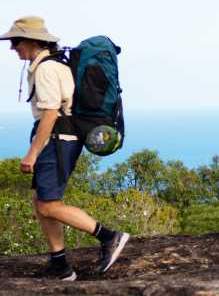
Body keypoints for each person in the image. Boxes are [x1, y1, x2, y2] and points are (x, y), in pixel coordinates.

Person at [1, 17, 129, 280]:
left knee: (48, 205)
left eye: (16, 41)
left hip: (58, 140)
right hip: (56, 138)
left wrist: (33, 153)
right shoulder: (47, 64)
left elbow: (50, 113)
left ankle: (109, 237)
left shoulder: (47, 69)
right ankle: (60, 264)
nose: (13, 47)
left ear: (34, 41)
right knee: (40, 202)